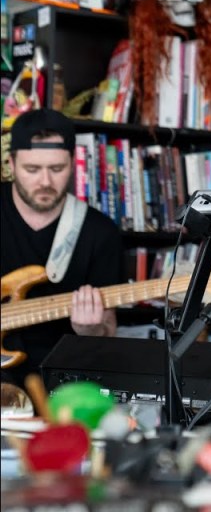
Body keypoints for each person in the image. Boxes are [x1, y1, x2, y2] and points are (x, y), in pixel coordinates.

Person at [1, 109, 122, 388]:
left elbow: (108, 330)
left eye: (57, 169)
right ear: (12, 163)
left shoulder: (100, 232)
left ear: (72, 163)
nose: (45, 182)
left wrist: (92, 329)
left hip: (62, 384)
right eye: (32, 169)